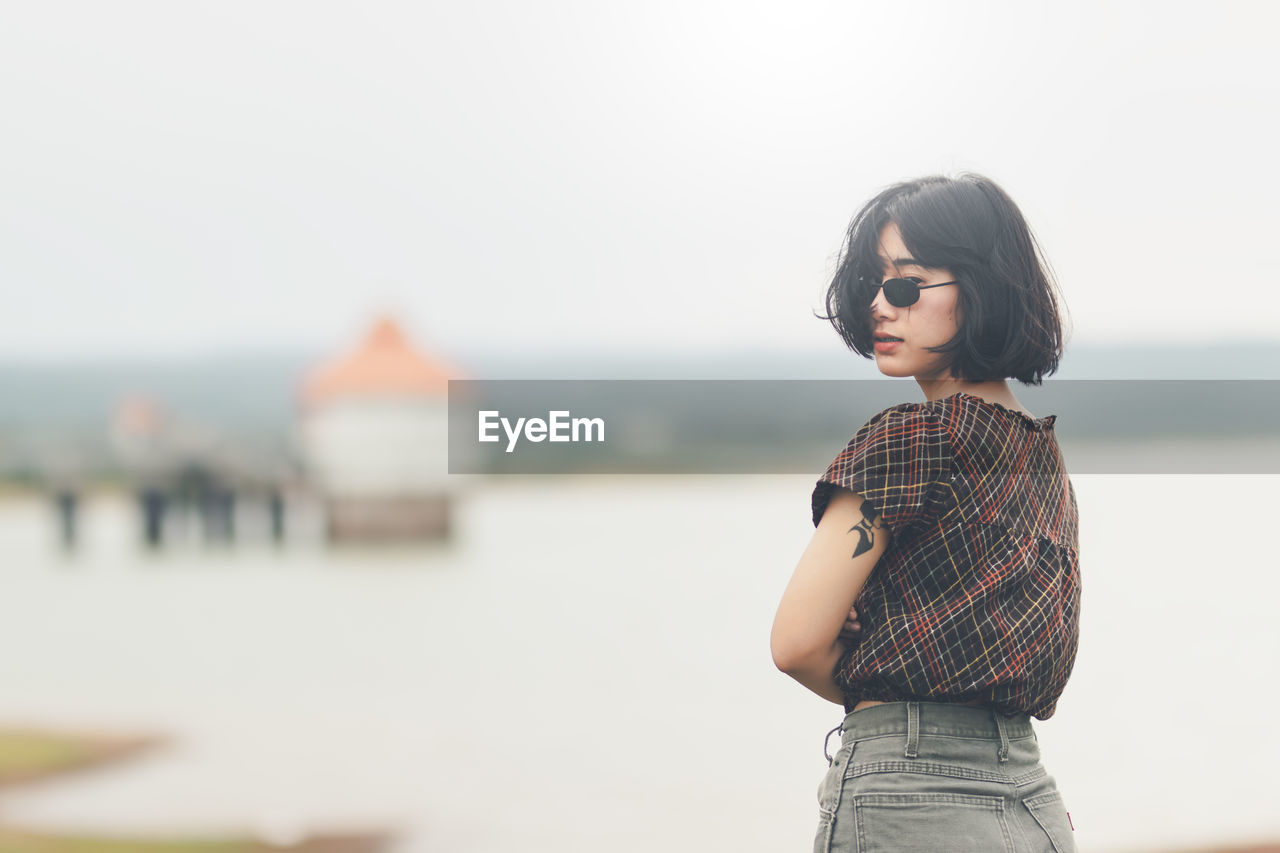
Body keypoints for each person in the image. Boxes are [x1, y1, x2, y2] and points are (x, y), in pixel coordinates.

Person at [770, 173, 1080, 852]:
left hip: (909, 796)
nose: (882, 305)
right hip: (1032, 800)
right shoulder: (1039, 454)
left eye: (907, 284)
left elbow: (795, 643)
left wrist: (866, 662)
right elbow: (1034, 667)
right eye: (871, 285)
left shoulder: (913, 437)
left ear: (982, 287)